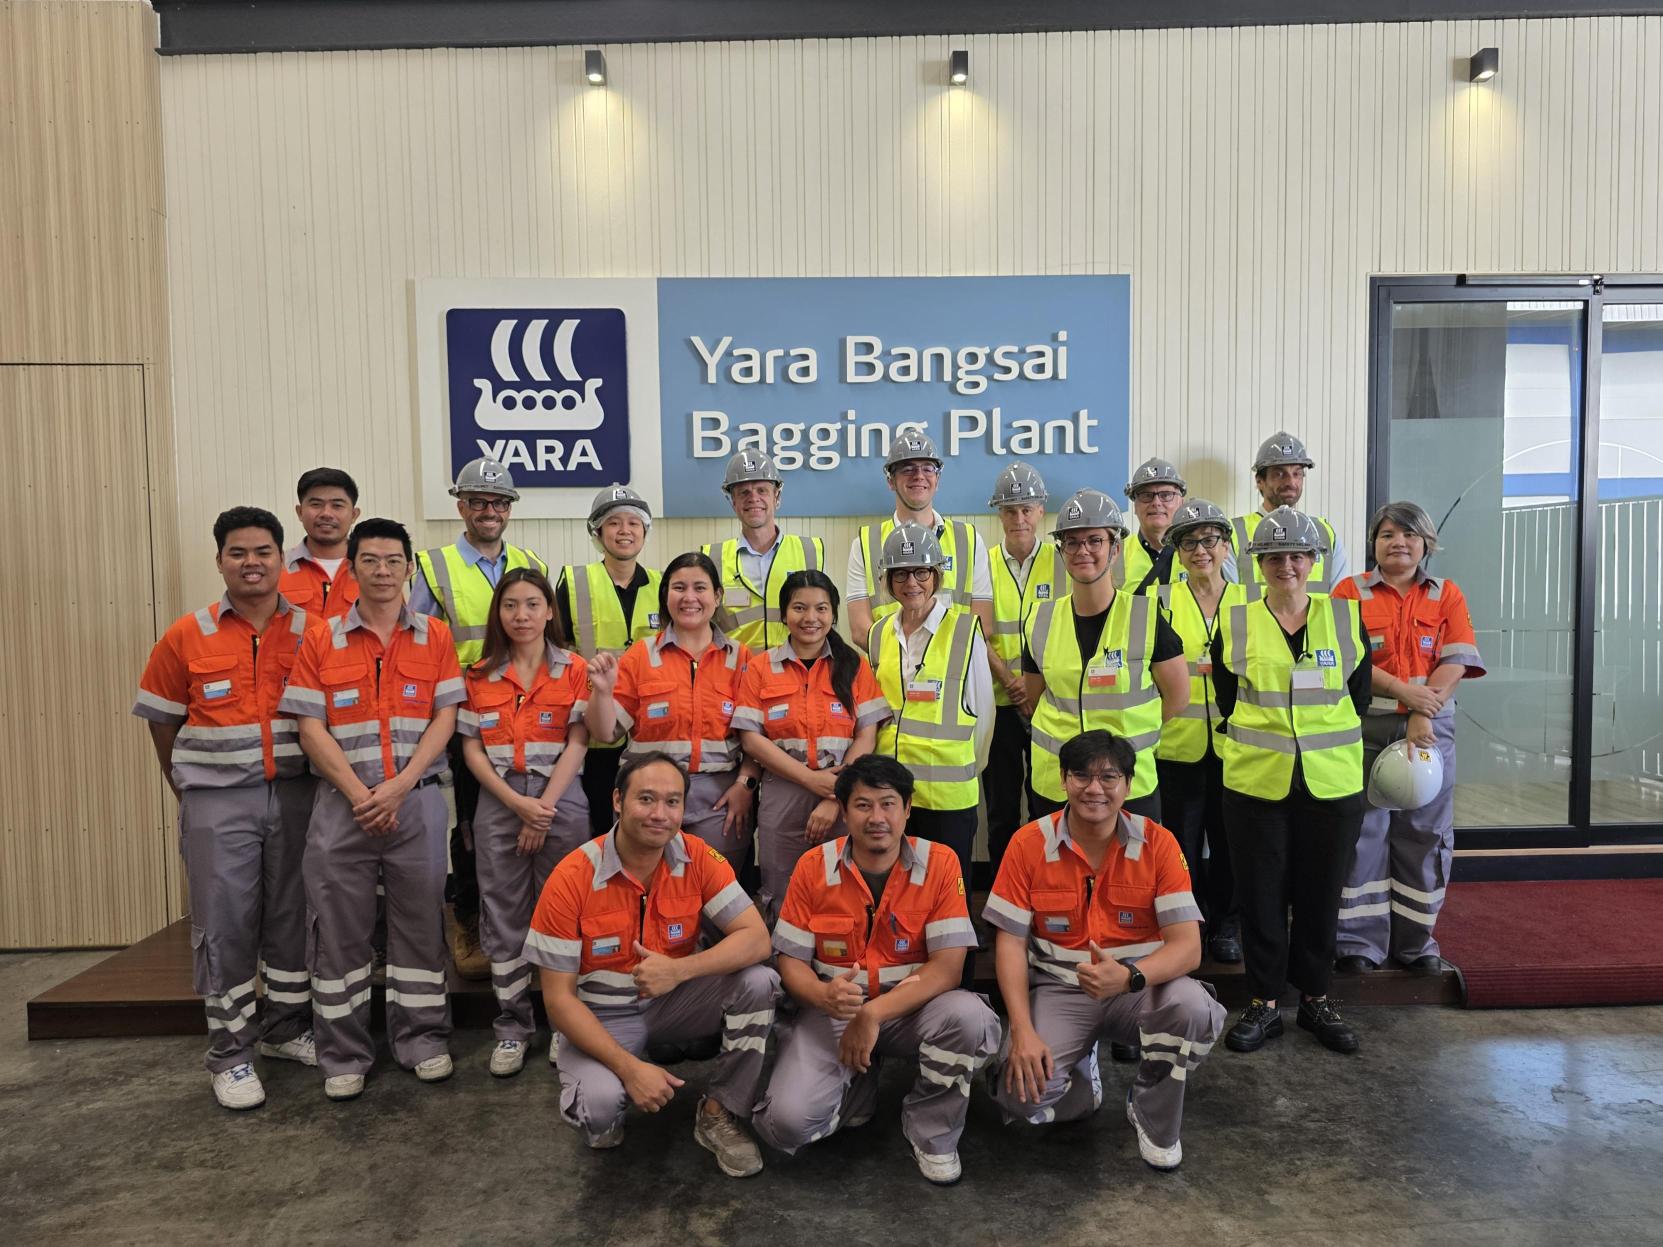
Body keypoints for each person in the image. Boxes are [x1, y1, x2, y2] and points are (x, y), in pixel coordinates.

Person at [133, 506, 321, 1110]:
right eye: (238, 553)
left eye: (263, 551)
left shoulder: (315, 632)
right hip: (218, 801)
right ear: (219, 561)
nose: (251, 563)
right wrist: (187, 786)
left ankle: (285, 1031)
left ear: (282, 558)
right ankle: (231, 1054)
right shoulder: (185, 635)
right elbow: (162, 721)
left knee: (293, 918)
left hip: (298, 795)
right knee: (224, 925)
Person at [522, 752, 780, 1176]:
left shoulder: (697, 857)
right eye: (646, 799)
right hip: (602, 1014)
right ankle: (612, 1089)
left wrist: (680, 970)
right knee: (599, 1109)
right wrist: (631, 1071)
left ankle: (719, 1111)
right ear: (618, 801)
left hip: (674, 1000)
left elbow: (756, 939)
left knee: (759, 981)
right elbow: (558, 1001)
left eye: (672, 802)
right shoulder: (572, 877)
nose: (660, 814)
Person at [282, 518, 466, 1100]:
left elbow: (445, 717)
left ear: (409, 568)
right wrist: (363, 795)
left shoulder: (435, 636)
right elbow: (309, 725)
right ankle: (343, 1054)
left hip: (416, 803)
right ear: (352, 568)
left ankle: (423, 1041)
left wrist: (401, 785)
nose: (382, 571)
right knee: (338, 933)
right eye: (370, 560)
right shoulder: (322, 638)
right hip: (344, 808)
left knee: (420, 927)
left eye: (393, 561)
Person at [753, 755, 999, 1186]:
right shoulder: (813, 866)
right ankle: (858, 1084)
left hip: (910, 1012)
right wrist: (821, 995)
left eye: (888, 804)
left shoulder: (940, 863)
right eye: (863, 805)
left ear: (908, 808)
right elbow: (790, 961)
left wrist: (873, 1014)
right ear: (844, 812)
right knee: (785, 1126)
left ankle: (931, 1129)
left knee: (970, 1017)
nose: (877, 818)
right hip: (834, 1012)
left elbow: (947, 968)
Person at [983, 731, 1223, 1171]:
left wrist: (1131, 976)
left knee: (1192, 1009)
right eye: (1082, 776)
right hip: (1060, 991)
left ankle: (1151, 1110)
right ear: (1063, 780)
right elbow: (1010, 944)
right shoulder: (1028, 843)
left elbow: (1188, 948)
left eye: (1109, 777)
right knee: (1019, 1098)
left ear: (1128, 785)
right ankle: (1079, 1079)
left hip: (1139, 990)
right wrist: (1022, 1029)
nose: (1094, 789)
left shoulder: (1158, 843)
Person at [1211, 507, 1370, 1056]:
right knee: (1261, 897)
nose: (1287, 566)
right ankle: (1263, 1002)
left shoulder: (1345, 618)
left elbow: (1359, 695)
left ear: (1314, 561)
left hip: (1332, 783)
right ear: (1258, 564)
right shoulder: (1237, 622)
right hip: (1256, 783)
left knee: (1321, 895)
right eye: (1274, 557)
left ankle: (1317, 999)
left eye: (1297, 556)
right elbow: (1227, 699)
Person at [411, 456, 549, 981]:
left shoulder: (530, 561)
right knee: (469, 824)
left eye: (499, 502)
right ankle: (470, 919)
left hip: (525, 711)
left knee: (530, 816)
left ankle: (532, 928)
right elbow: (419, 646)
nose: (489, 511)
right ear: (461, 507)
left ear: (510, 508)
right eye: (478, 502)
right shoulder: (435, 566)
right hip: (462, 717)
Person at [1333, 502, 1485, 973]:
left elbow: (1456, 659)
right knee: (1363, 835)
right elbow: (1347, 660)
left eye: (1409, 534)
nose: (1398, 542)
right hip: (1365, 730)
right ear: (1374, 543)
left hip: (1430, 731)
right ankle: (1358, 945)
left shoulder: (1446, 594)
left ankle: (1416, 944)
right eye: (1387, 534)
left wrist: (1421, 712)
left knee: (1425, 833)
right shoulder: (1348, 592)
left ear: (1426, 543)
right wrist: (1405, 695)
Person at [459, 568, 593, 1077]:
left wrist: (543, 809)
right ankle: (512, 1028)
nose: (522, 615)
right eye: (511, 605)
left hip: (562, 798)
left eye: (533, 604)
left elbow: (579, 742)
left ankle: (565, 1024)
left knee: (565, 913)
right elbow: (472, 750)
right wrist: (518, 805)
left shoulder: (574, 669)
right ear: (498, 613)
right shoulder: (478, 675)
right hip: (499, 800)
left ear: (550, 611)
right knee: (503, 914)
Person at [585, 551, 763, 874]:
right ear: (665, 595)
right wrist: (602, 691)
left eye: (700, 588)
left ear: (717, 596)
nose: (689, 597)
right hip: (648, 796)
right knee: (645, 887)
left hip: (719, 800)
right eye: (679, 588)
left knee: (714, 892)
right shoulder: (640, 655)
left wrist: (745, 785)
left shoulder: (741, 658)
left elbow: (755, 738)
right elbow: (605, 732)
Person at [1023, 489, 1189, 823]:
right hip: (1057, 783)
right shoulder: (1040, 620)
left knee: (1133, 860)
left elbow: (1178, 697)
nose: (1083, 550)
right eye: (1072, 542)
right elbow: (1033, 698)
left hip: (1127, 786)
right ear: (1061, 551)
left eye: (1095, 540)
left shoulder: (1145, 617)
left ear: (1115, 549)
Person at [733, 570, 890, 922]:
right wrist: (810, 780)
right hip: (782, 792)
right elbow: (751, 739)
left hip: (844, 793)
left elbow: (867, 735)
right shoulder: (760, 668)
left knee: (843, 889)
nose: (810, 618)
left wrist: (834, 795)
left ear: (833, 613)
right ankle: (784, 957)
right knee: (781, 889)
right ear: (784, 614)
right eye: (799, 608)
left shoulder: (853, 665)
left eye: (821, 608)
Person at [865, 524, 993, 913]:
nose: (912, 583)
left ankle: (957, 958)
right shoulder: (878, 633)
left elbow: (984, 717)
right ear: (888, 580)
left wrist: (966, 769)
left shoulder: (965, 631)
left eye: (921, 571)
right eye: (900, 573)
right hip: (892, 795)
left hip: (947, 797)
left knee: (947, 898)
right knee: (900, 896)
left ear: (936, 575)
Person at [1149, 499, 1246, 964]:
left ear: (1226, 546)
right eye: (1189, 543)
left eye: (1210, 540)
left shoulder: (1251, 602)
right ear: (1178, 552)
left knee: (1230, 842)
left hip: (1238, 747)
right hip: (1176, 746)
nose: (1200, 550)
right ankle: (1185, 926)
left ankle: (1227, 923)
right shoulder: (1159, 601)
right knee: (1179, 844)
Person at [844, 431, 999, 670]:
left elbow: (983, 625)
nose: (919, 476)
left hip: (953, 674)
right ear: (890, 480)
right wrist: (907, 664)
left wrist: (936, 664)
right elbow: (859, 629)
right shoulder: (865, 543)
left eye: (927, 468)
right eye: (907, 469)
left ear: (938, 478)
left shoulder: (969, 539)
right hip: (890, 676)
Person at [557, 484, 663, 835]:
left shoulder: (663, 586)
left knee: (647, 824)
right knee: (600, 828)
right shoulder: (574, 582)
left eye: (633, 523)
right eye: (614, 523)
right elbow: (557, 651)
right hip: (592, 732)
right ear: (598, 532)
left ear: (644, 531)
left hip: (646, 728)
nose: (624, 531)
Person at [984, 462, 1067, 876]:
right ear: (999, 513)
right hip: (998, 705)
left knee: (1045, 803)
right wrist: (1010, 682)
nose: (1019, 518)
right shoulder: (982, 564)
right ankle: (1005, 890)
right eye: (1010, 510)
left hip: (1049, 703)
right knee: (1000, 808)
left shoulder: (1062, 560)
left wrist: (1034, 687)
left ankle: (1046, 884)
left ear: (1040, 511)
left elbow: (1072, 629)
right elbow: (974, 632)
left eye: (1026, 509)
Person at [702, 450, 826, 651]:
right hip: (735, 669)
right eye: (744, 492)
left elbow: (825, 619)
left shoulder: (809, 551)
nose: (753, 498)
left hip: (795, 667)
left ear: (777, 496)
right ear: (733, 501)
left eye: (762, 490)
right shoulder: (712, 558)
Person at [1224, 432, 1350, 597]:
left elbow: (1341, 598)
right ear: (1260, 481)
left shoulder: (1325, 532)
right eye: (1279, 474)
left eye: (1297, 474)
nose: (1290, 482)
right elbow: (1226, 599)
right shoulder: (1233, 533)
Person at [278, 466, 362, 619]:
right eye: (316, 504)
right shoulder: (276, 568)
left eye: (337, 505)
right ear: (300, 512)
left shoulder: (373, 569)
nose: (326, 514)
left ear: (354, 515)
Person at [1119, 457, 1187, 592]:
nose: (1156, 503)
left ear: (1181, 503)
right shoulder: (1115, 554)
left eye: (1166, 495)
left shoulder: (1198, 552)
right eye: (1146, 495)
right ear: (1135, 505)